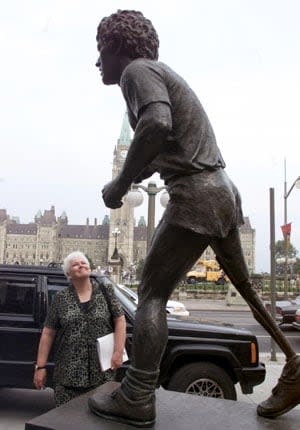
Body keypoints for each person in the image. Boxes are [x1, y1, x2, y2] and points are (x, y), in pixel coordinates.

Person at [89, 10, 300, 427]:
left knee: (151, 294)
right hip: (221, 188)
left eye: (100, 51)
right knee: (247, 289)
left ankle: (138, 394)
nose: (98, 62)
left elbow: (156, 122)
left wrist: (120, 184)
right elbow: (168, 139)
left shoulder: (137, 71)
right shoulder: (160, 73)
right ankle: (295, 364)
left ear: (118, 48)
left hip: (195, 194)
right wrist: (142, 170)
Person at [33, 251, 126, 406]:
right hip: (68, 376)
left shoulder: (106, 291)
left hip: (102, 375)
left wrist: (118, 351)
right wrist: (40, 367)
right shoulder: (61, 298)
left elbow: (120, 321)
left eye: (84, 262)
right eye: (75, 264)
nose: (81, 265)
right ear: (69, 274)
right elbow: (48, 333)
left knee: (98, 422)